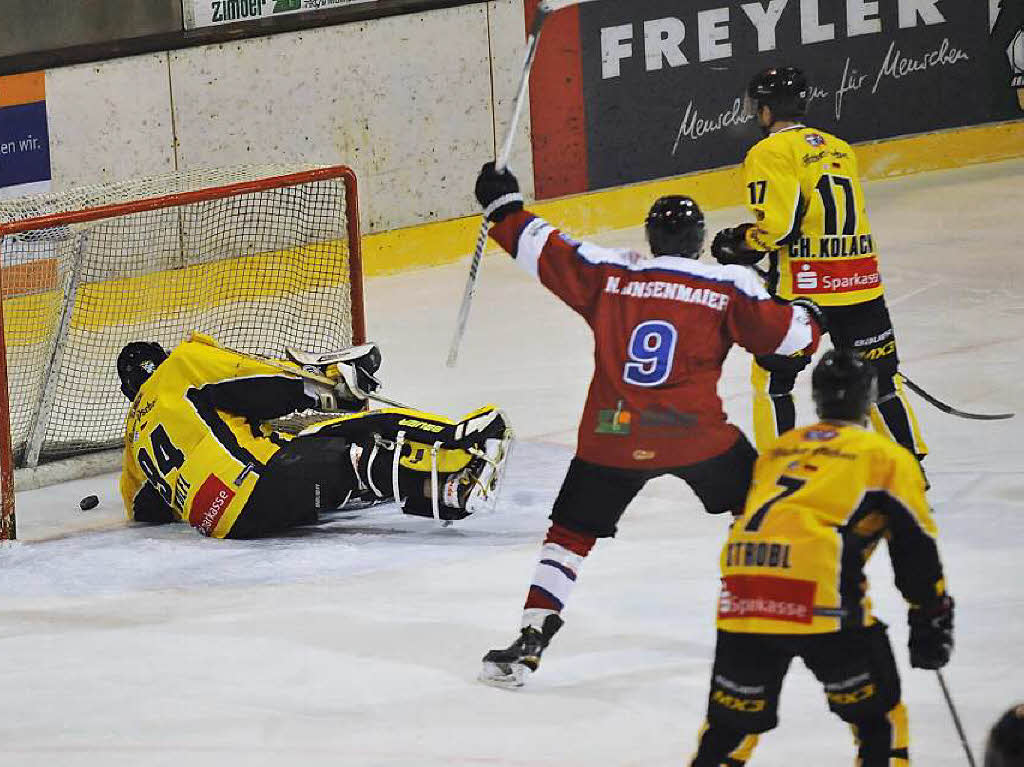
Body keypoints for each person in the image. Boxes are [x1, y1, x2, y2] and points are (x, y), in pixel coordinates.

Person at [472, 165, 825, 688]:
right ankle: (754, 614)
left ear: (651, 237)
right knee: (755, 505)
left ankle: (531, 638)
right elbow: (794, 340)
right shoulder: (728, 283)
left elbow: (546, 249)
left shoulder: (613, 273)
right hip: (695, 435)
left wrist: (502, 207)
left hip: (613, 435)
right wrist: (809, 313)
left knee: (569, 536)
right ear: (701, 240)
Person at [687, 349, 954, 766]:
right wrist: (930, 614)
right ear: (869, 398)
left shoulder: (780, 449)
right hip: (820, 595)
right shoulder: (883, 456)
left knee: (728, 732)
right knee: (878, 724)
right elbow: (913, 544)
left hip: (745, 592)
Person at [711, 66, 928, 464]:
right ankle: (908, 462)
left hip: (805, 289)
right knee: (880, 382)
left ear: (764, 111)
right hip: (861, 281)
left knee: (774, 381)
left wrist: (743, 241)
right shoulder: (840, 147)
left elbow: (778, 228)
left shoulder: (768, 152)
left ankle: (782, 465)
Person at [117, 332, 511, 538]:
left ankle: (445, 494)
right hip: (260, 485)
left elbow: (145, 510)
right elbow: (256, 384)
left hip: (227, 526)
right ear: (163, 357)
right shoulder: (181, 366)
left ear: (130, 392)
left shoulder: (134, 440)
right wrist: (325, 390)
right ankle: (461, 445)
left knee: (334, 464)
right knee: (368, 435)